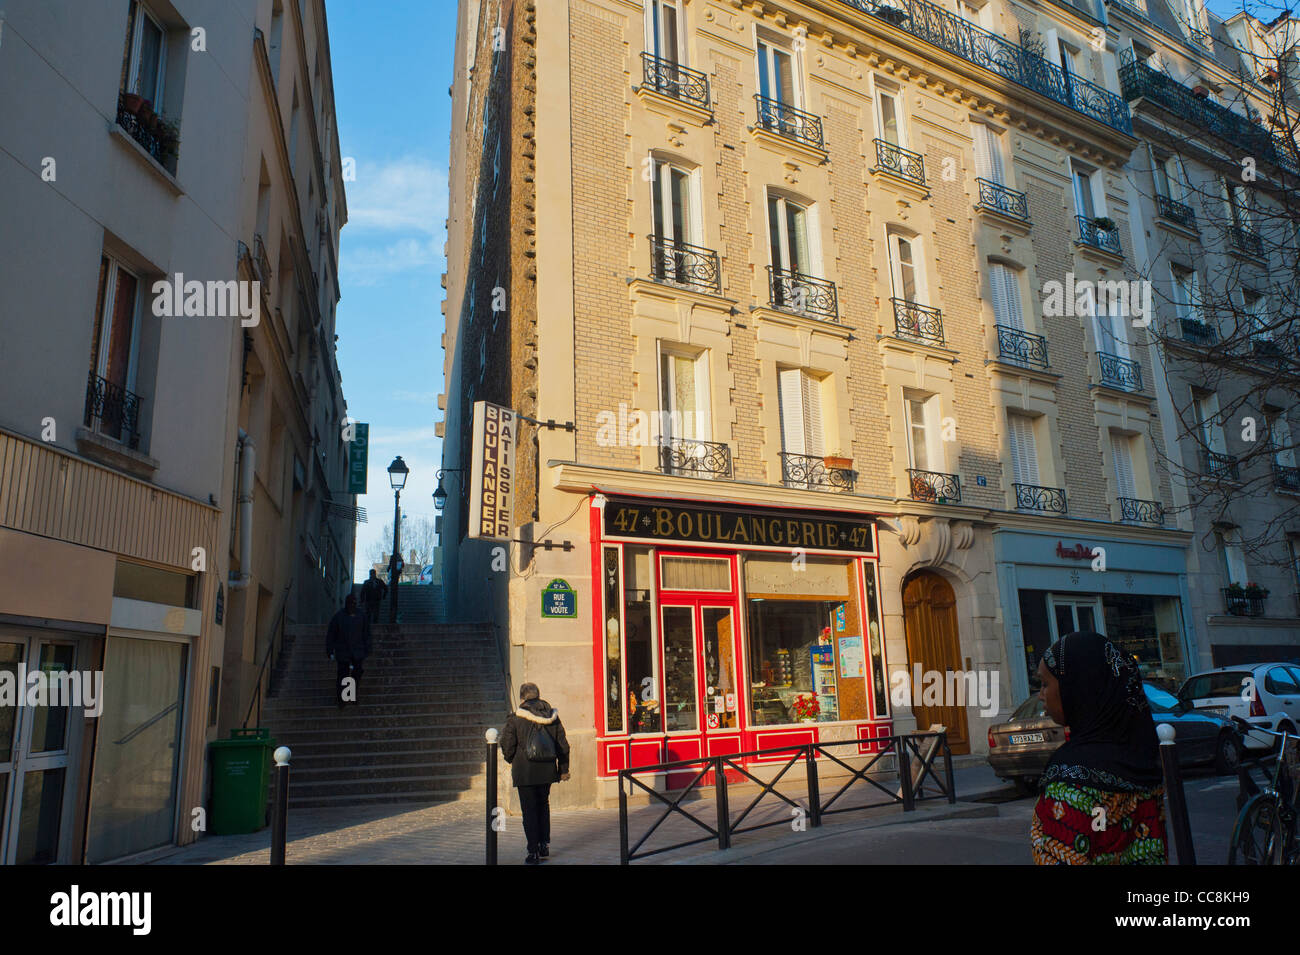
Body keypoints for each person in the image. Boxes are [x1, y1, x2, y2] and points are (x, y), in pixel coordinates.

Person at [1031, 631, 1169, 865]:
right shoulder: (1141, 759)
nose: (1041, 696)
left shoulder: (1071, 780)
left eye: (1045, 684)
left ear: (1077, 688)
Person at [500, 683, 570, 865]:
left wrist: (512, 759)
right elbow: (563, 745)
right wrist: (563, 769)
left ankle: (533, 851)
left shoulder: (516, 718)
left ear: (523, 698)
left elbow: (507, 745)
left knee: (529, 810)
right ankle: (544, 844)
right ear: (538, 696)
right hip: (547, 770)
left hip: (525, 771)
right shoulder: (552, 716)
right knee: (543, 806)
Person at [325, 593, 371, 708]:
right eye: (350, 604)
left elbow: (366, 634)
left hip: (357, 651)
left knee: (355, 675)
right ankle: (343, 698)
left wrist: (367, 648)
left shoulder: (361, 616)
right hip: (344, 652)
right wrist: (330, 650)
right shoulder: (339, 617)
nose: (352, 606)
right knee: (343, 675)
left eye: (353, 604)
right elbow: (331, 634)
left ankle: (351, 695)